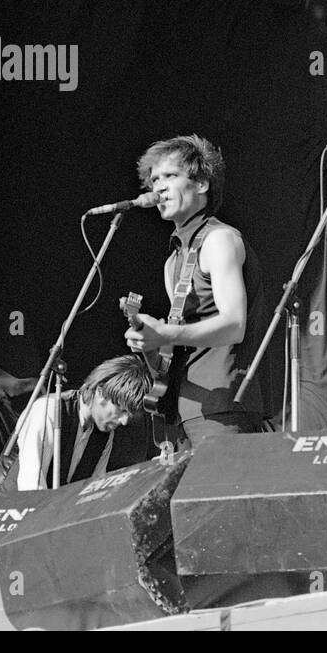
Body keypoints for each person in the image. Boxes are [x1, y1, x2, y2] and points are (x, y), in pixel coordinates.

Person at [126, 134, 266, 448]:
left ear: (201, 184)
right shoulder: (172, 260)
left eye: (170, 176)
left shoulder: (219, 239)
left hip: (223, 405)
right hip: (181, 406)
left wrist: (165, 334)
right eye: (154, 180)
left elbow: (234, 324)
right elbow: (177, 343)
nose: (158, 187)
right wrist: (147, 339)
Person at [13, 354, 151, 491]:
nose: (124, 421)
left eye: (129, 415)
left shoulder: (105, 434)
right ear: (100, 392)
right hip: (5, 505)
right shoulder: (48, 411)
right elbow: (30, 488)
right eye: (121, 410)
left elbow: (93, 491)